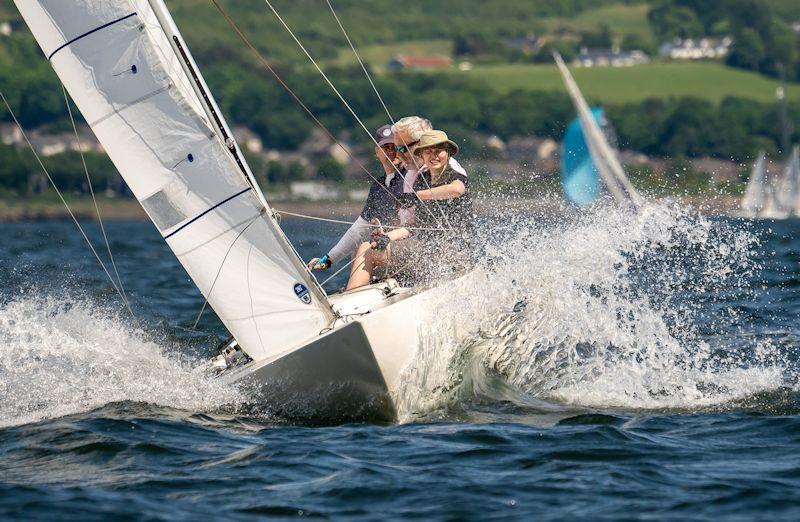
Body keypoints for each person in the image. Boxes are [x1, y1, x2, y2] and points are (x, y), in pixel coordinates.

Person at [345, 130, 472, 290]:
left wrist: (417, 196)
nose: (434, 156)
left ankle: (353, 299)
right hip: (426, 251)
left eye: (438, 151)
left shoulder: (453, 175)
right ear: (422, 156)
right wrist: (387, 237)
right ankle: (355, 299)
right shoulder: (422, 180)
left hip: (453, 254)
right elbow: (413, 226)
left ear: (447, 153)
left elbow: (456, 190)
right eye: (428, 152)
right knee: (370, 247)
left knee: (366, 250)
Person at [307, 125, 405, 271]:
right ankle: (356, 289)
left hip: (409, 247)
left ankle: (353, 289)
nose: (391, 151)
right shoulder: (377, 187)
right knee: (358, 247)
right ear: (378, 152)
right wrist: (329, 259)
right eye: (386, 147)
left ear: (402, 150)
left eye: (395, 147)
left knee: (365, 248)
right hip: (389, 249)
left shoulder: (410, 177)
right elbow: (359, 229)